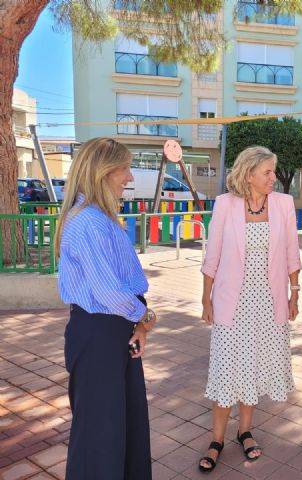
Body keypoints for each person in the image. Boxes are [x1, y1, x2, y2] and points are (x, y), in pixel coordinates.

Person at [55, 137, 157, 480]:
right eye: (125, 168)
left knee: (123, 423)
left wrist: (137, 324)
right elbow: (109, 292)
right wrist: (144, 317)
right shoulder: (87, 222)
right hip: (100, 331)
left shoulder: (98, 217)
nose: (129, 177)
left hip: (113, 329)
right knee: (100, 433)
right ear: (103, 171)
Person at [199, 146, 301, 472]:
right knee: (227, 368)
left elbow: (291, 251)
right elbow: (212, 253)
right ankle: (216, 439)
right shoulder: (226, 204)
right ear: (249, 174)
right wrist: (206, 297)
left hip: (268, 303)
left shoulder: (283, 204)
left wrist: (294, 293)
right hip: (233, 301)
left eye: (274, 171)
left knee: (253, 369)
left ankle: (244, 431)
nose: (274, 178)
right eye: (268, 172)